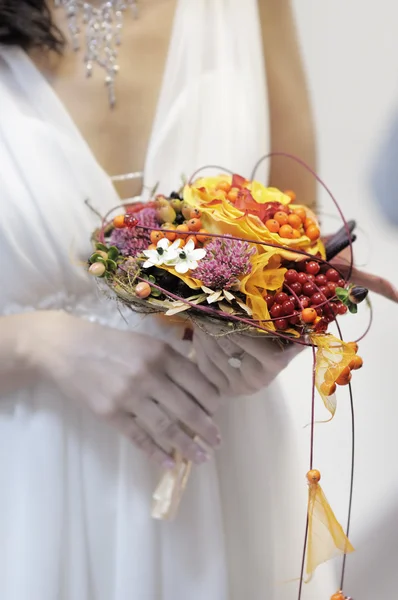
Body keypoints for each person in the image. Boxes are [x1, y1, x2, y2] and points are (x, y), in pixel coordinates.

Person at [0, 2, 396, 599]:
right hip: (28, 479)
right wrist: (39, 342)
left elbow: (295, 223)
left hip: (223, 470)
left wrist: (269, 329)